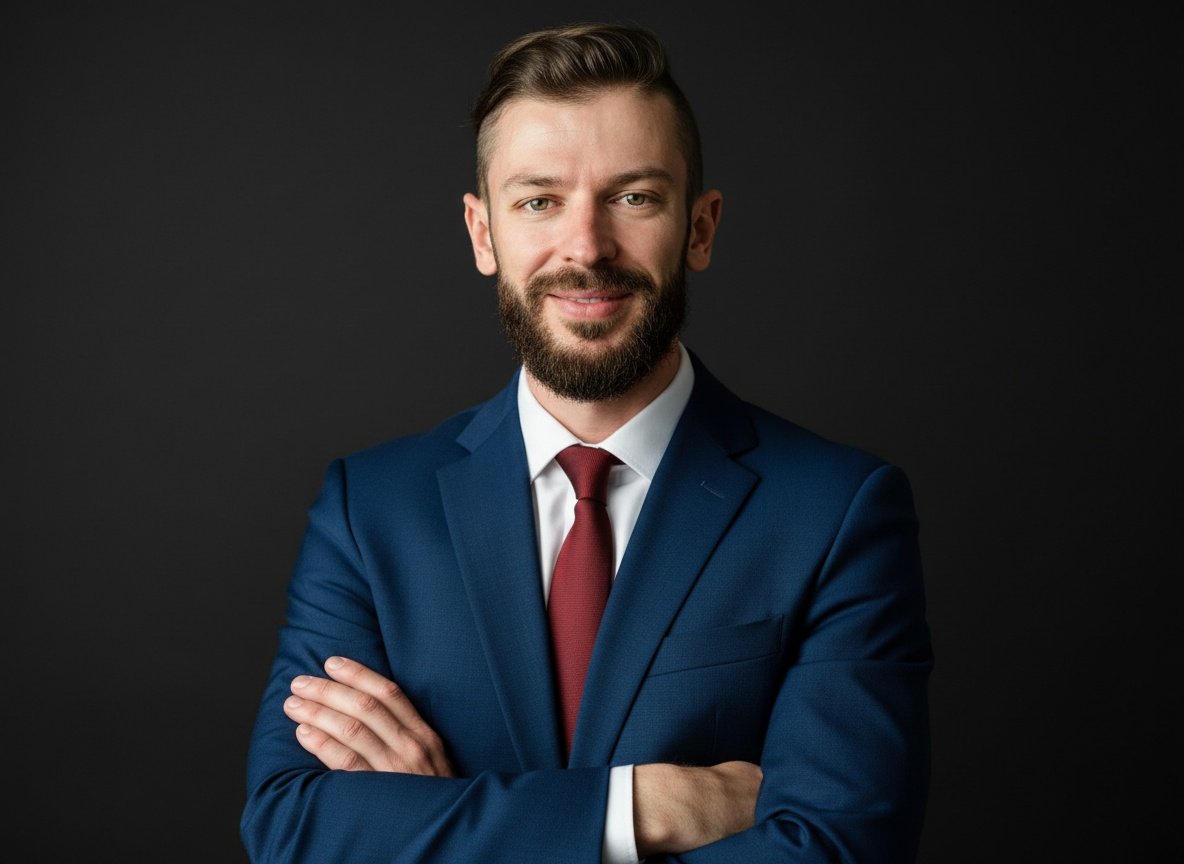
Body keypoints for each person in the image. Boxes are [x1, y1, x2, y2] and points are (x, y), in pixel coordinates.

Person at [241, 21, 932, 864]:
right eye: (539, 201)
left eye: (634, 197)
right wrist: (636, 807)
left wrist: (439, 822)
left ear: (701, 228)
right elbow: (292, 828)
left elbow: (835, 847)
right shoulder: (368, 511)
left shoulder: (836, 512)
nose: (586, 247)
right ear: (483, 233)